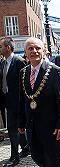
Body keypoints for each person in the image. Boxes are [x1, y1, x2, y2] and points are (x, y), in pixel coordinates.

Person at [18, 37, 60, 167]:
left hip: (51, 127)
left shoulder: (55, 71)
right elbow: (22, 99)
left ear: (44, 51)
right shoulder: (23, 72)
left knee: (53, 160)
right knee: (37, 156)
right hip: (32, 126)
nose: (34, 51)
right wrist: (21, 121)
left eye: (37, 48)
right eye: (30, 48)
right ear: (25, 52)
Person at [0, 37, 29, 167]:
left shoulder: (19, 62)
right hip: (7, 102)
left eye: (1, 46)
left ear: (8, 47)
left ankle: (14, 157)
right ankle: (26, 148)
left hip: (18, 103)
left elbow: (25, 84)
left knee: (12, 129)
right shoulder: (2, 63)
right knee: (17, 127)